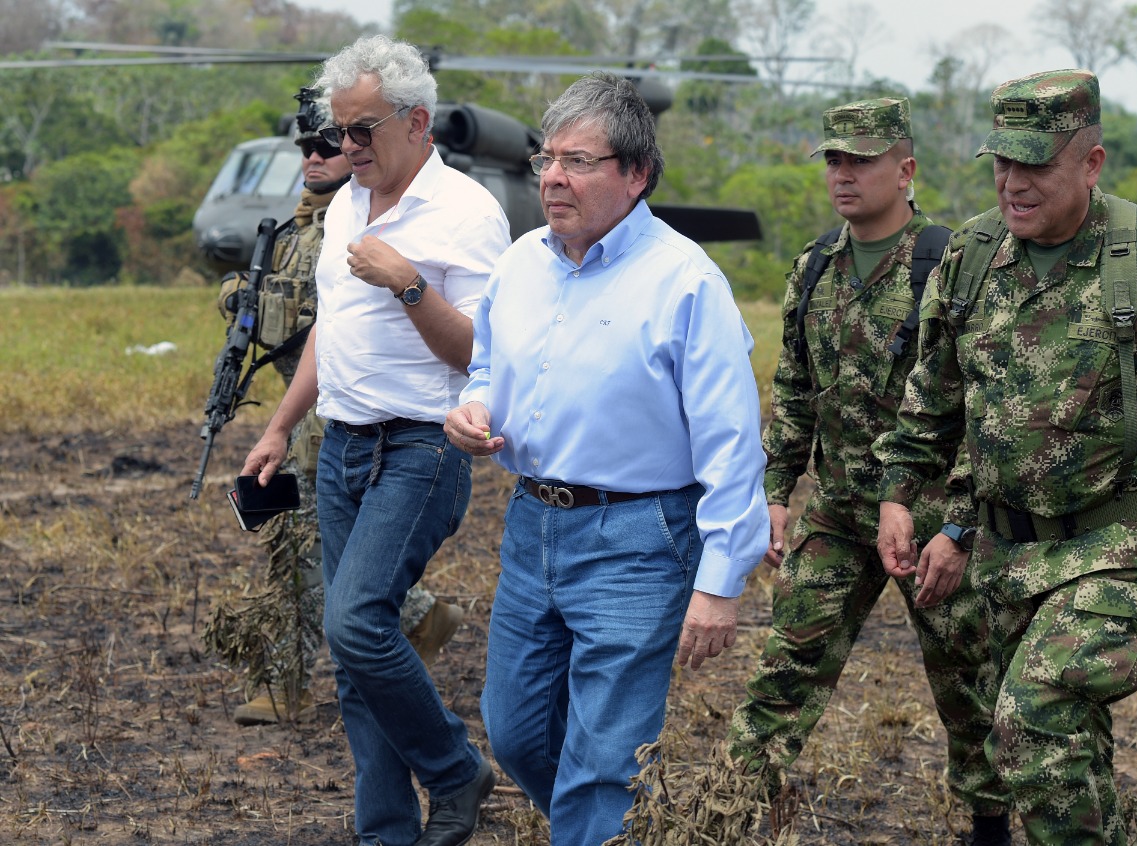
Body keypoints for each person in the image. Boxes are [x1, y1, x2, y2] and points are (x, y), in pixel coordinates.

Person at [873, 68, 1137, 845]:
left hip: (1123, 543)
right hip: (1010, 550)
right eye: (1002, 164)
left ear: (1091, 164)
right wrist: (906, 499)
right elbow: (936, 395)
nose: (1014, 185)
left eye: (1037, 166)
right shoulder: (970, 259)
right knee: (1068, 746)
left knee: (1031, 717)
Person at [443, 72, 770, 846]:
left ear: (636, 174)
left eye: (579, 161)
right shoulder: (521, 263)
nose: (554, 176)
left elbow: (731, 443)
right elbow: (486, 366)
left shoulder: (687, 279)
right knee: (513, 728)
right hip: (532, 525)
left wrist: (720, 583)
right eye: (547, 159)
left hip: (641, 539)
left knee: (601, 762)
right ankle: (609, 829)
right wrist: (474, 407)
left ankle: (597, 827)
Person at [239, 35, 510, 846]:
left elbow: (479, 353)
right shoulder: (347, 205)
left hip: (422, 448)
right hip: (343, 449)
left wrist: (410, 283)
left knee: (354, 623)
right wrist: (282, 425)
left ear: (417, 122)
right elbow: (334, 324)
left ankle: (457, 769)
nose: (345, 149)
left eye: (362, 133)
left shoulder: (469, 214)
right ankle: (386, 833)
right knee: (360, 655)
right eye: (338, 133)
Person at [725, 97, 1012, 843]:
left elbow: (990, 409)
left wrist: (957, 524)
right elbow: (794, 392)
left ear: (906, 169)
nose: (843, 174)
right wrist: (777, 492)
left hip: (932, 522)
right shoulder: (813, 268)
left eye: (861, 159)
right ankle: (723, 815)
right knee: (784, 671)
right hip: (840, 511)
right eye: (833, 159)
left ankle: (991, 827)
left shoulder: (953, 267)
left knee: (970, 689)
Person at [212, 86, 463, 729]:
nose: (321, 156)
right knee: (305, 545)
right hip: (312, 403)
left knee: (307, 548)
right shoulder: (303, 227)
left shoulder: (358, 218)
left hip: (363, 414)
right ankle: (416, 620)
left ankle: (290, 681)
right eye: (311, 146)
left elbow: (320, 318)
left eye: (337, 144)